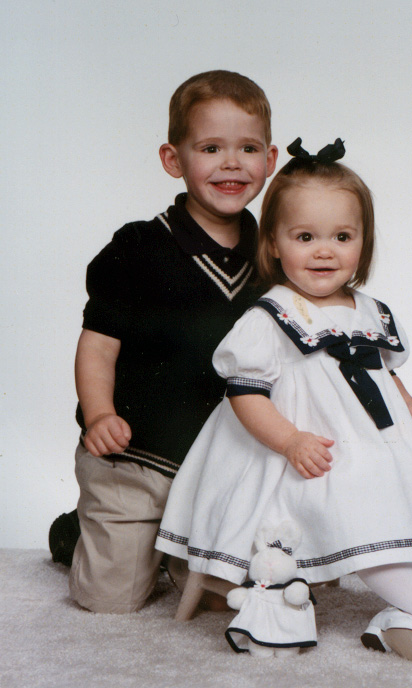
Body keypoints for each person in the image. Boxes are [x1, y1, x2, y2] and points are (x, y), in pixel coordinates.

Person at [155, 138, 412, 667]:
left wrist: (408, 403)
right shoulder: (271, 316)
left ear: (363, 243)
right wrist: (290, 440)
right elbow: (244, 395)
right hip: (315, 452)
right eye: (305, 237)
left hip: (378, 445)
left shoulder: (370, 310)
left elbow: (380, 369)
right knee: (364, 523)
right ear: (273, 244)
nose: (324, 251)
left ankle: (400, 617)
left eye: (342, 237)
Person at [67, 70, 278, 614]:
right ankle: (76, 533)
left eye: (248, 148)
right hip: (135, 459)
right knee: (110, 599)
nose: (232, 163)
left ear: (270, 159)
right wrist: (99, 414)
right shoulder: (139, 246)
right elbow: (98, 345)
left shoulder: (273, 256)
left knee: (220, 599)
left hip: (218, 470)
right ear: (172, 159)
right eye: (210, 148)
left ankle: (169, 552)